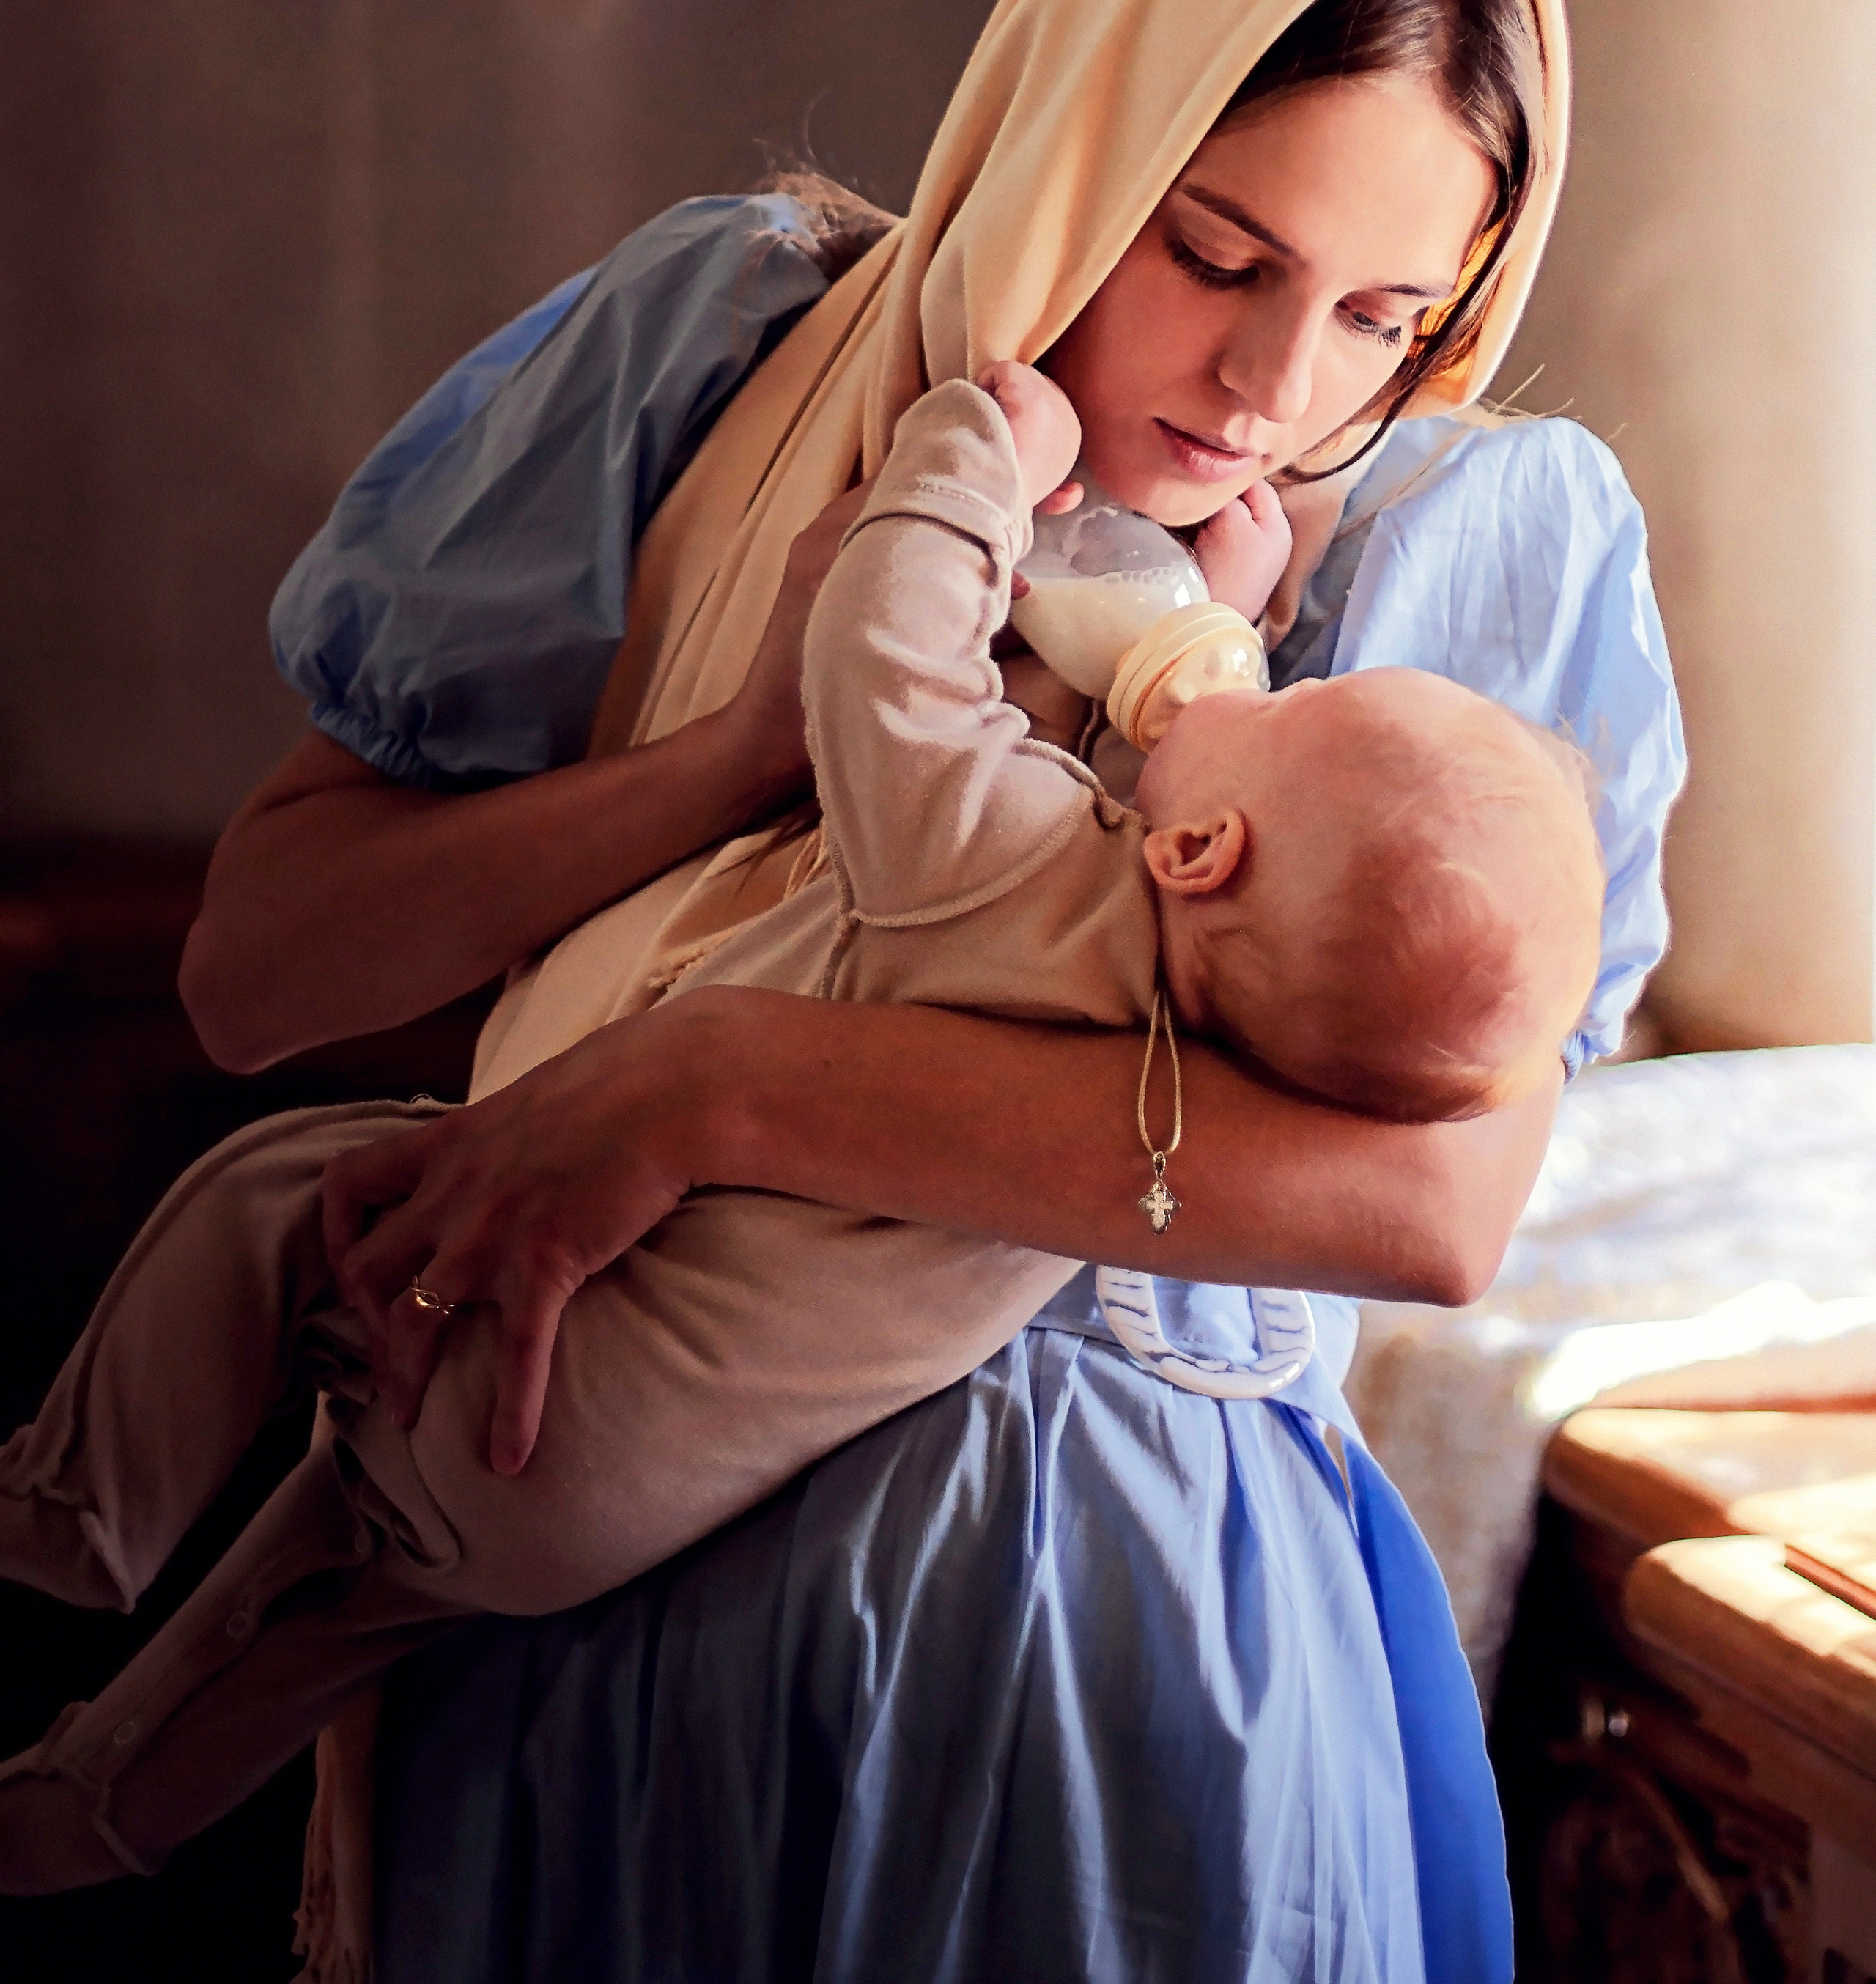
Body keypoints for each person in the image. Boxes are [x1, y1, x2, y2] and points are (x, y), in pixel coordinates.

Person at [26, 0, 1686, 1982]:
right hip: (583, 1583)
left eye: (1386, 308)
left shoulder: (1471, 530)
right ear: (1079, 123)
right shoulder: (735, 348)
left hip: (1112, 1651)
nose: (1280, 389)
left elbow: (1427, 1208)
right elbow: (259, 968)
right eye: (1214, 250)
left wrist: (718, 1084)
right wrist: (734, 755)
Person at [0, 344, 1609, 1896]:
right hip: (599, 1502)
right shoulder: (1181, 1014)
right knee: (323, 1606)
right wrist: (1226, 638)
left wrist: (976, 464)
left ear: (1195, 849)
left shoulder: (1005, 857)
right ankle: (99, 1807)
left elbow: (886, 679)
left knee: (280, 1188)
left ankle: (68, 1511)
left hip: (527, 1368)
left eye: (1290, 701)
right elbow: (1180, 819)